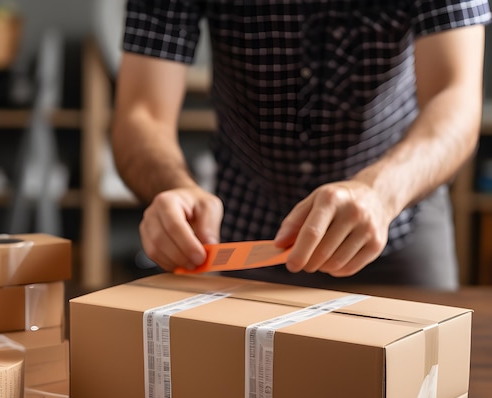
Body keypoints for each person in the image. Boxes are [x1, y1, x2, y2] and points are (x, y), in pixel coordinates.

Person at [111, 1, 491, 290]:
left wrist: (380, 192)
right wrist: (173, 188)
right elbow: (141, 112)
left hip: (398, 219)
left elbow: (455, 97)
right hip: (242, 230)